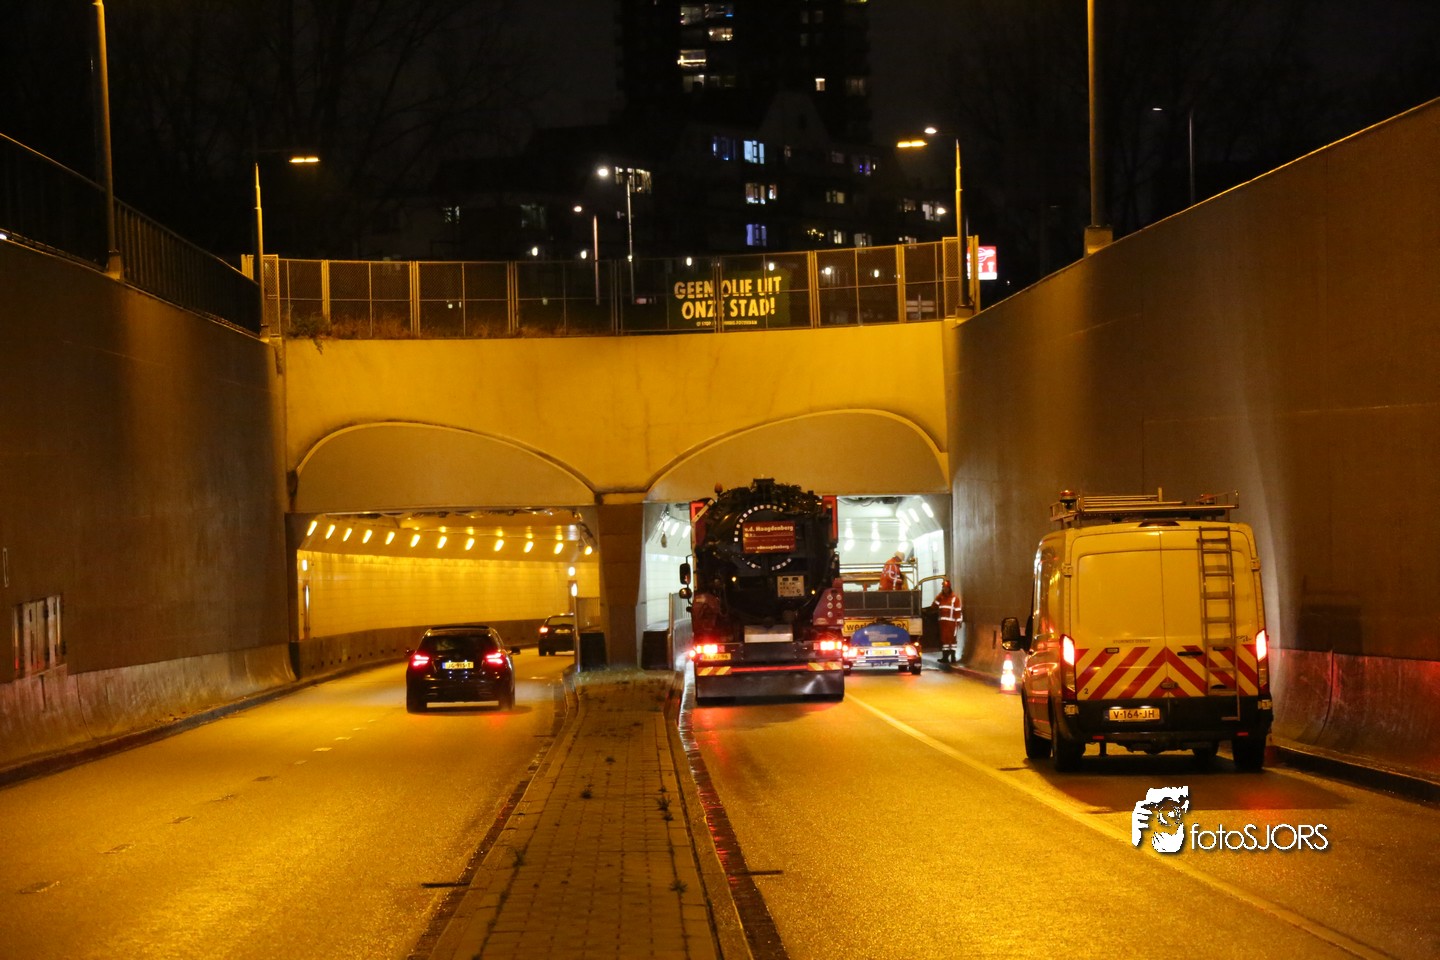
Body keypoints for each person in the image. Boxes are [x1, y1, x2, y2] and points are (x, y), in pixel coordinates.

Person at [931, 579, 962, 663]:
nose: (945, 589)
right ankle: (945, 657)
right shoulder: (941, 598)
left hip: (952, 623)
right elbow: (933, 606)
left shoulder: (954, 598)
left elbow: (957, 610)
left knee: (952, 640)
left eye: (946, 588)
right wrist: (939, 596)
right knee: (944, 640)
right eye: (944, 587)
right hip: (943, 624)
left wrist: (958, 621)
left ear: (949, 588)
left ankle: (953, 657)